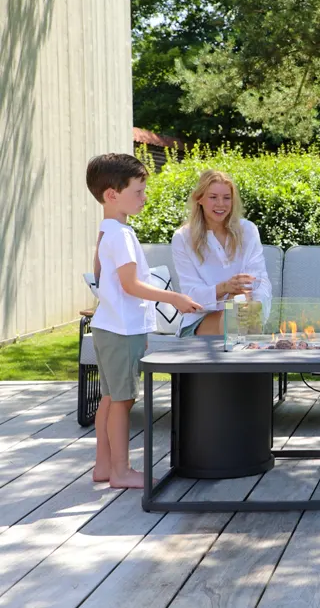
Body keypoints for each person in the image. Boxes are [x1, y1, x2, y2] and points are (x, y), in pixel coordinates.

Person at [86, 153, 202, 489]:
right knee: (122, 401)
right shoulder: (120, 235)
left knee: (110, 398)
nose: (144, 197)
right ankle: (121, 471)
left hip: (110, 327)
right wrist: (174, 298)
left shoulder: (108, 230)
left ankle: (104, 466)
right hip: (121, 331)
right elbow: (131, 285)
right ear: (112, 194)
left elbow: (104, 278)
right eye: (138, 191)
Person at [171, 170, 272, 336]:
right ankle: (248, 344)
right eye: (213, 197)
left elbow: (260, 280)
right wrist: (224, 288)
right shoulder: (183, 237)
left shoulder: (248, 230)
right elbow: (191, 295)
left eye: (227, 198)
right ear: (199, 199)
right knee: (232, 313)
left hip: (242, 311)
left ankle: (246, 337)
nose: (221, 204)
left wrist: (254, 304)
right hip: (201, 319)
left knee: (238, 305)